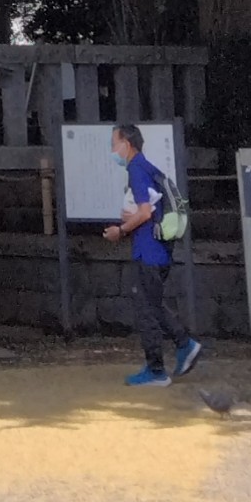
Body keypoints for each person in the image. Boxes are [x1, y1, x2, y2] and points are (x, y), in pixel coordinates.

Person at [103, 117, 203, 386]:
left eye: (114, 144)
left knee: (145, 308)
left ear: (127, 143)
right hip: (160, 251)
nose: (113, 150)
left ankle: (157, 369)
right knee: (153, 304)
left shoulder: (136, 169)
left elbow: (145, 213)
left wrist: (121, 230)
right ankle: (184, 345)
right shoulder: (148, 168)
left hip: (147, 251)